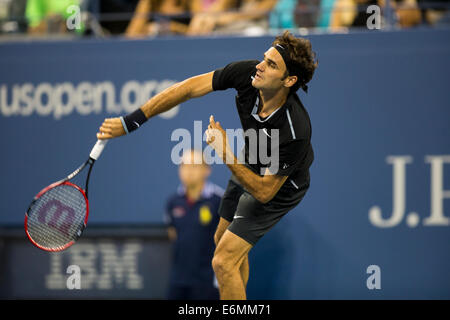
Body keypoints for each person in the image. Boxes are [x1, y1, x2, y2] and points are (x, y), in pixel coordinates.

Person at [97, 30, 317, 300]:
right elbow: (189, 88)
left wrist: (224, 151)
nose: (260, 66)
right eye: (264, 58)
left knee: (223, 261)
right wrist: (132, 121)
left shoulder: (295, 129)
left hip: (281, 187)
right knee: (222, 243)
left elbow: (263, 193)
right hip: (253, 158)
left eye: (271, 65)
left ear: (289, 80)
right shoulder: (248, 74)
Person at [165, 149, 223, 300]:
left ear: (207, 170)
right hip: (178, 280)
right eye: (184, 165)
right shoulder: (173, 202)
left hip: (208, 282)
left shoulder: (219, 201)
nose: (188, 171)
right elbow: (173, 235)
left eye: (194, 165)